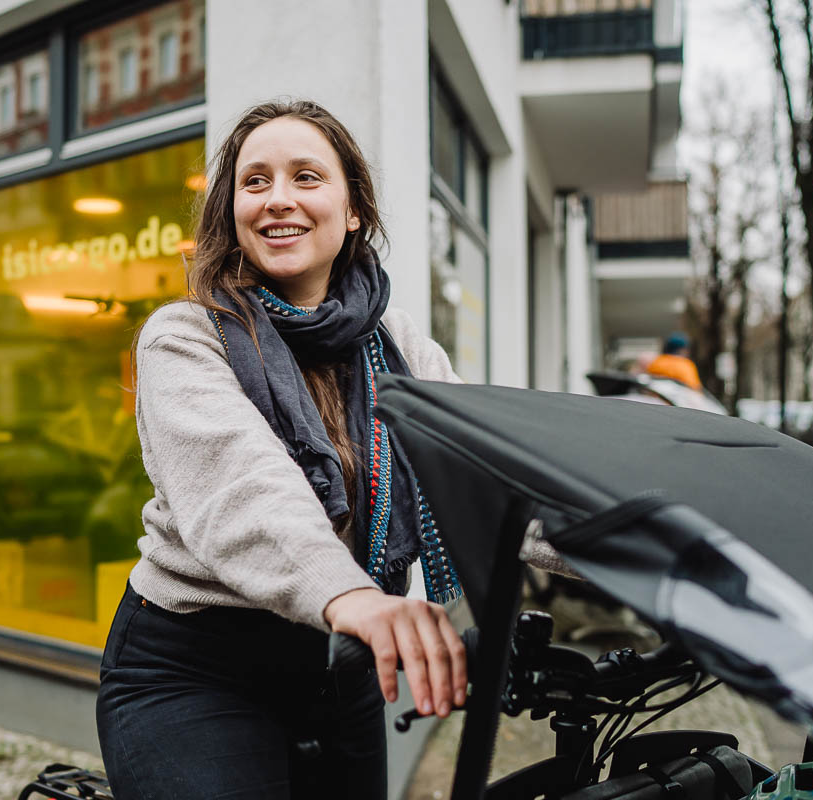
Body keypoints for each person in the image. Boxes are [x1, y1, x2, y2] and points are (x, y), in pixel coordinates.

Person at [95, 100, 570, 800]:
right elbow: (244, 489)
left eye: (306, 176)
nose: (277, 198)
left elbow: (490, 476)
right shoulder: (187, 335)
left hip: (341, 667)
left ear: (352, 211)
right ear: (232, 211)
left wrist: (648, 557)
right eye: (255, 182)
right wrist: (353, 596)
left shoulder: (398, 345)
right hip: (195, 668)